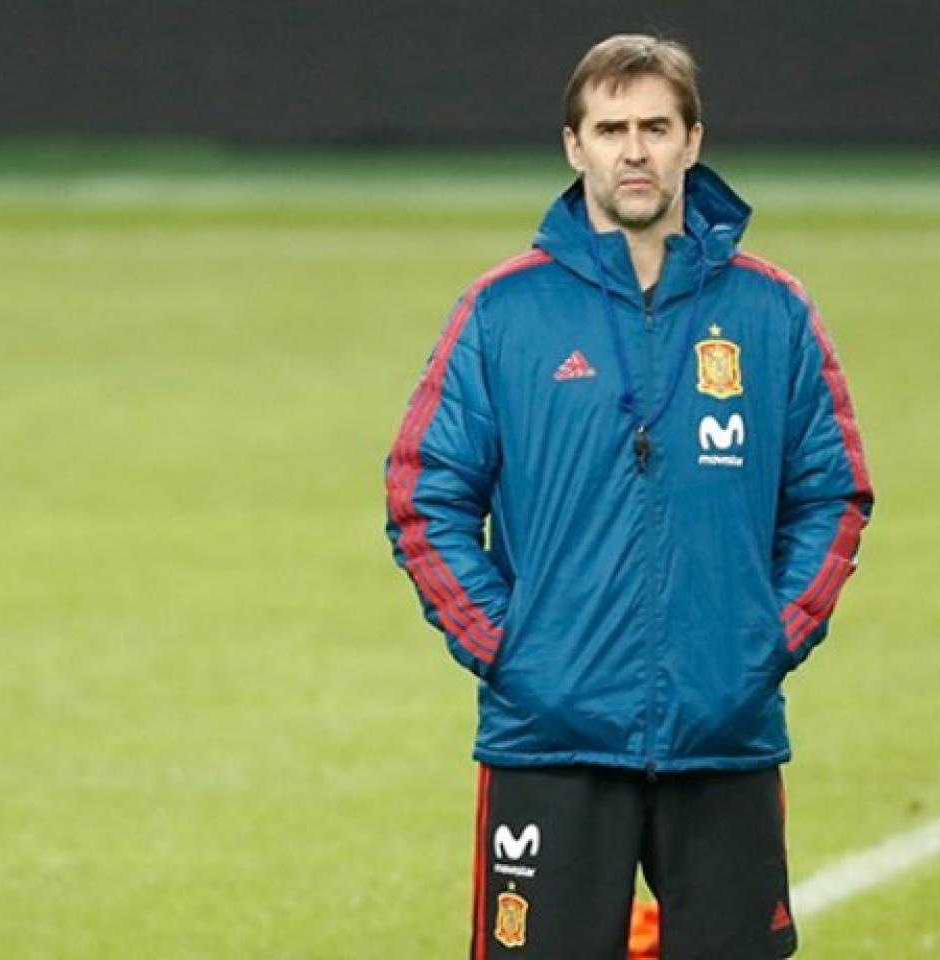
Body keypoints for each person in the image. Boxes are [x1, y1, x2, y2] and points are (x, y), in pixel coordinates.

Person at [385, 34, 873, 959]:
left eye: (656, 127)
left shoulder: (772, 311)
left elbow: (833, 496)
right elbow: (423, 493)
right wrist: (513, 650)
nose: (635, 151)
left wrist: (763, 642)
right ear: (575, 146)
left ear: (694, 141)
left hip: (721, 731)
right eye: (611, 130)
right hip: (552, 735)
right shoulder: (503, 313)